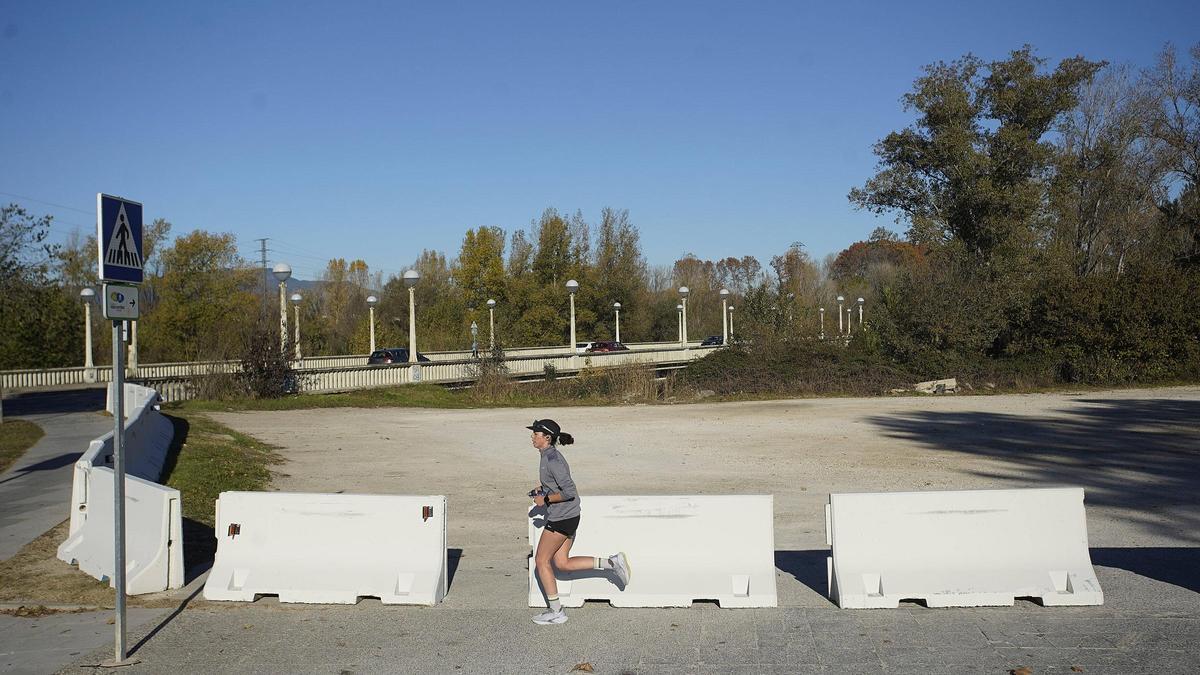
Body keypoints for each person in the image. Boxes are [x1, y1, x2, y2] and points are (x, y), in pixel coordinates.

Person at [526, 418, 630, 625]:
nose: (532, 437)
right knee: (561, 563)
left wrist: (544, 499)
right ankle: (611, 563)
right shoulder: (548, 456)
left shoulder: (553, 460)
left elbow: (569, 492)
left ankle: (556, 611)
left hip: (562, 517)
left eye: (536, 434)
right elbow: (557, 486)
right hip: (568, 515)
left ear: (546, 438)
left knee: (541, 561)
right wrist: (543, 490)